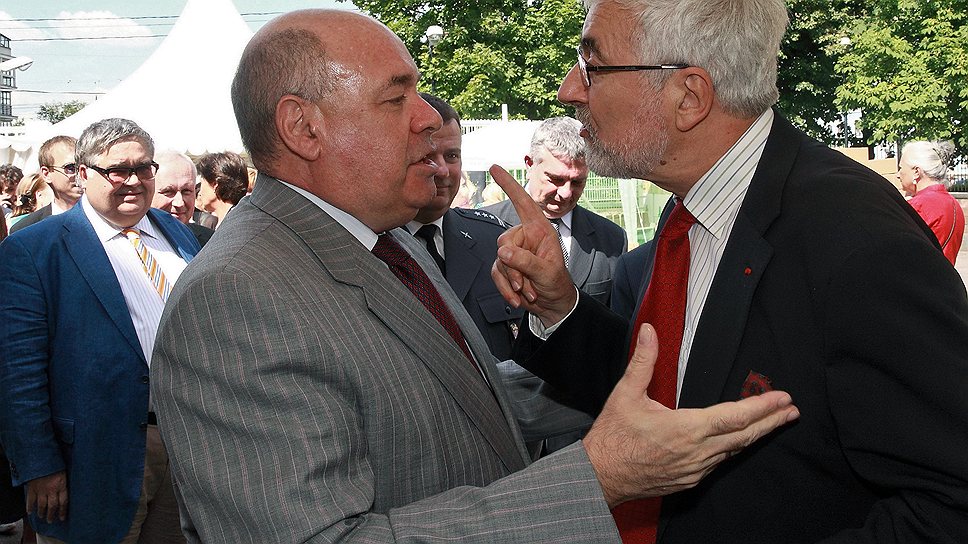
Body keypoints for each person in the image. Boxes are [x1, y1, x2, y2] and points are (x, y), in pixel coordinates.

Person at [149, 10, 798, 543]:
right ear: (303, 127)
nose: (429, 118)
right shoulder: (236, 297)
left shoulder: (383, 241)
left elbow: (466, 406)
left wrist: (588, 335)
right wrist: (597, 478)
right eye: (396, 98)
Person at [493, 0, 968, 542]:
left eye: (591, 64)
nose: (568, 90)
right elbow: (670, 394)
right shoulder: (694, 207)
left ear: (689, 97)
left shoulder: (856, 237)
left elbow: (951, 505)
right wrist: (560, 307)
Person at [0, 118, 199, 543]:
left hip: (185, 448)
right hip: (92, 462)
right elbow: (18, 373)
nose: (134, 181)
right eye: (118, 171)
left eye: (143, 168)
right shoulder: (34, 250)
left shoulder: (178, 235)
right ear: (83, 173)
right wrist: (39, 466)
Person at [405, 92, 524, 361]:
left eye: (452, 155)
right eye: (427, 156)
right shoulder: (374, 245)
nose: (443, 171)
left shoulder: (497, 242)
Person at [486, 116, 627, 306]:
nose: (566, 193)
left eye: (577, 182)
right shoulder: (484, 227)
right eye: (556, 179)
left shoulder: (611, 240)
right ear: (530, 164)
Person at [896, 140, 965, 265]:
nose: (898, 175)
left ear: (916, 172)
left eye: (901, 168)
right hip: (944, 275)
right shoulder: (953, 203)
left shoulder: (919, 205)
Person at [9, 136, 82, 234]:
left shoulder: (102, 218)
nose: (80, 174)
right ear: (46, 174)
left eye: (84, 167)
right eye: (71, 168)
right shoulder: (26, 229)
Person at [152, 150, 215, 247]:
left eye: (186, 191)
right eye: (168, 192)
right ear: (149, 192)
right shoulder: (133, 243)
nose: (179, 203)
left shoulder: (210, 242)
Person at [194, 151, 248, 226]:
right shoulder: (241, 217)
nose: (200, 193)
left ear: (215, 185)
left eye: (202, 183)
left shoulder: (235, 225)